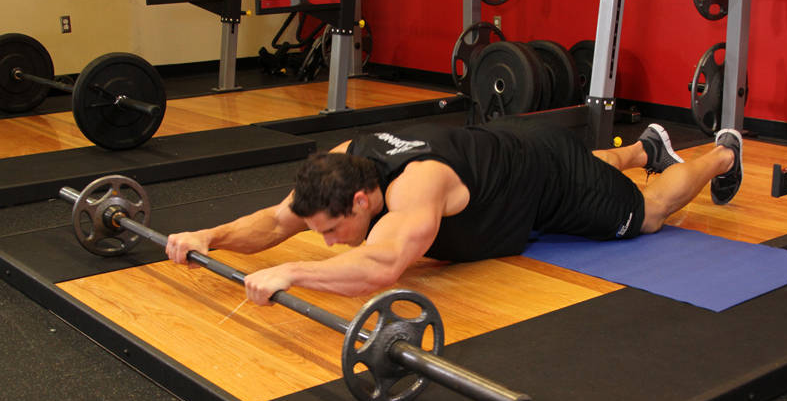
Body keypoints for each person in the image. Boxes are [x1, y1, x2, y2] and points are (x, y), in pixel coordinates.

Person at [165, 117, 743, 304]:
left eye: (334, 230)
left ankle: (719, 153)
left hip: (547, 181)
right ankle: (643, 148)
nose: (326, 242)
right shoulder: (339, 170)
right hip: (509, 153)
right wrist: (207, 236)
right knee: (593, 167)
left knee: (647, 212)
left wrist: (291, 272)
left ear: (362, 201)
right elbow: (274, 220)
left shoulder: (416, 193)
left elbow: (382, 267)